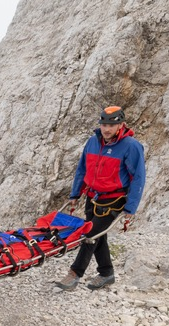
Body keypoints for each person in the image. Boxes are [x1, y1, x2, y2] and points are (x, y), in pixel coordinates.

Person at [55, 105, 147, 291]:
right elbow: (82, 168)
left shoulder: (131, 146)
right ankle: (106, 273)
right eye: (104, 125)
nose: (107, 129)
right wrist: (75, 193)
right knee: (99, 235)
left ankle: (74, 274)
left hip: (114, 200)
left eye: (111, 125)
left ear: (121, 125)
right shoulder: (92, 142)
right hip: (92, 197)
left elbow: (138, 177)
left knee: (90, 235)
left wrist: (131, 207)